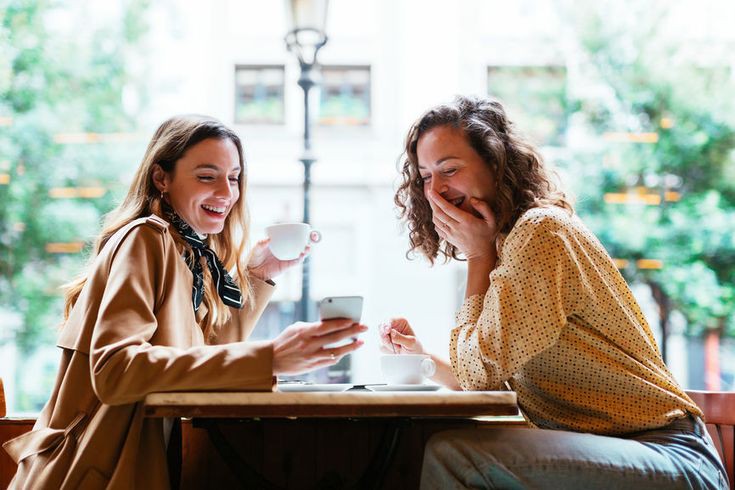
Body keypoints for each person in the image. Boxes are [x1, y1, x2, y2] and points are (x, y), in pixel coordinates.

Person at [379, 96, 729, 489]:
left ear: (494, 164)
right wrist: (422, 358)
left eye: (450, 170)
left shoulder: (540, 233)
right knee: (445, 448)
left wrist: (478, 256)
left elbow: (481, 377)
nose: (435, 191)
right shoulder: (510, 247)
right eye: (425, 176)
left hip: (670, 457)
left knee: (454, 454)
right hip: (618, 450)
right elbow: (483, 374)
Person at [3, 115, 366, 489]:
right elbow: (117, 370)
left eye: (234, 177)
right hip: (91, 477)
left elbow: (199, 364)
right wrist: (269, 357)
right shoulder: (145, 239)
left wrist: (257, 276)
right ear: (162, 178)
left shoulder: (186, 253)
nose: (226, 193)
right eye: (207, 177)